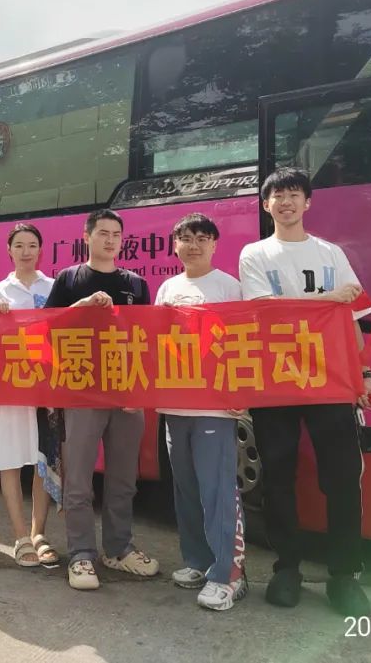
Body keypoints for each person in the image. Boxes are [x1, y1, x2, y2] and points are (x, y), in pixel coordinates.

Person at [238, 167, 371, 618]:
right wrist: (328, 299)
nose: (286, 201)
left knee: (342, 478)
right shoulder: (255, 254)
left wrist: (365, 373)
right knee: (278, 477)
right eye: (277, 195)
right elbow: (264, 310)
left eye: (294, 194)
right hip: (275, 377)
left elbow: (351, 319)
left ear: (308, 202)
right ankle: (287, 569)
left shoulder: (331, 253)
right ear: (266, 205)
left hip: (331, 378)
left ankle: (344, 575)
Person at [45, 209, 158, 591]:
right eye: (103, 233)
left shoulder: (136, 284)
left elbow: (147, 337)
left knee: (123, 478)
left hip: (126, 392)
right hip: (81, 391)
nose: (110, 240)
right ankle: (81, 554)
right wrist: (81, 306)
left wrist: (140, 390)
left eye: (116, 235)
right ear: (87, 236)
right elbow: (47, 326)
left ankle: (118, 549)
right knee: (78, 480)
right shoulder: (69, 279)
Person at [155, 213, 248, 611]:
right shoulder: (168, 288)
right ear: (175, 244)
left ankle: (229, 574)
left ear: (214, 244)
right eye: (186, 238)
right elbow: (155, 343)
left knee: (217, 490)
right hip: (175, 405)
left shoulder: (229, 286)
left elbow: (243, 342)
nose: (193, 245)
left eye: (201, 238)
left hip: (215, 407)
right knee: (187, 487)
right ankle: (198, 560)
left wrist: (241, 391)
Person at [0, 223, 57, 568]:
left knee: (43, 460)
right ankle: (20, 536)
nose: (26, 252)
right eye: (19, 245)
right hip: (10, 385)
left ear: (40, 250)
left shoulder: (53, 287)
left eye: (32, 245)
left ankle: (39, 533)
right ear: (9, 251)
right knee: (11, 459)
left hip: (46, 384)